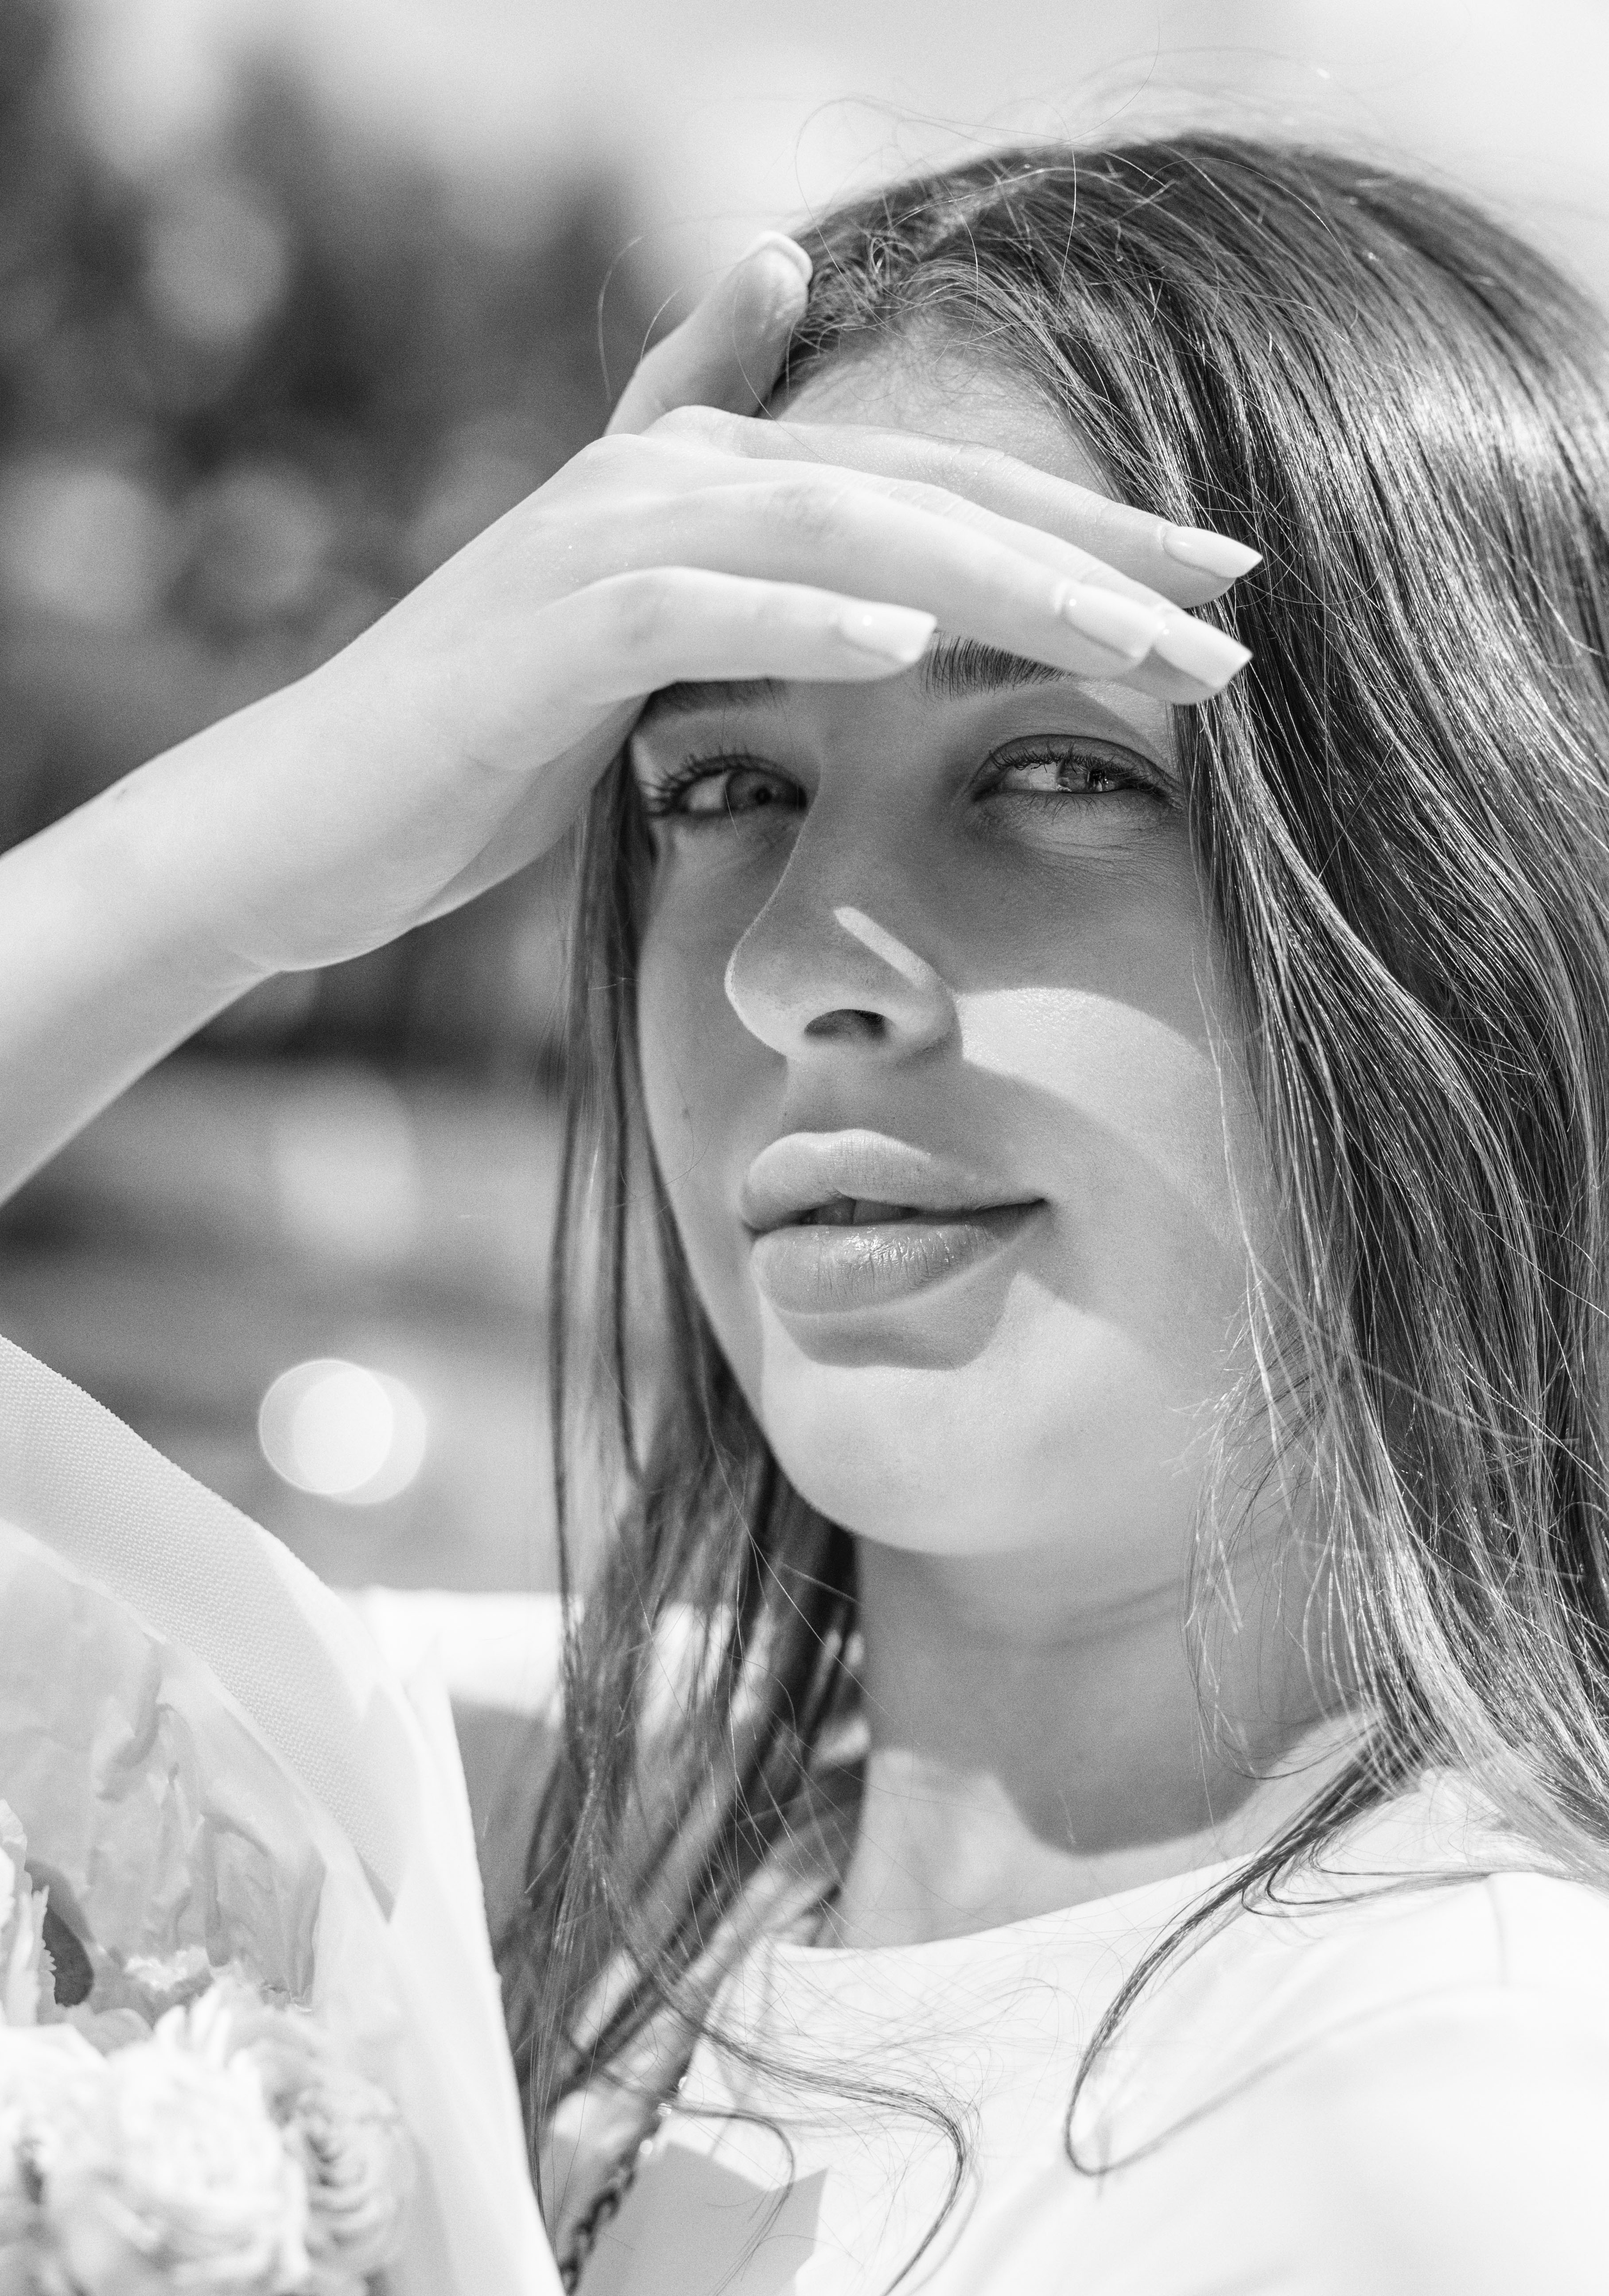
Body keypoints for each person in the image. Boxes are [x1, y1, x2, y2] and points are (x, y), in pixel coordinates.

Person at [4, 130, 1609, 2293]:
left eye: (1058, 772)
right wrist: (231, 851)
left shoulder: (1465, 2145)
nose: (788, 965)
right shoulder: (487, 1842)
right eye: (722, 786)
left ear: (1490, 893)